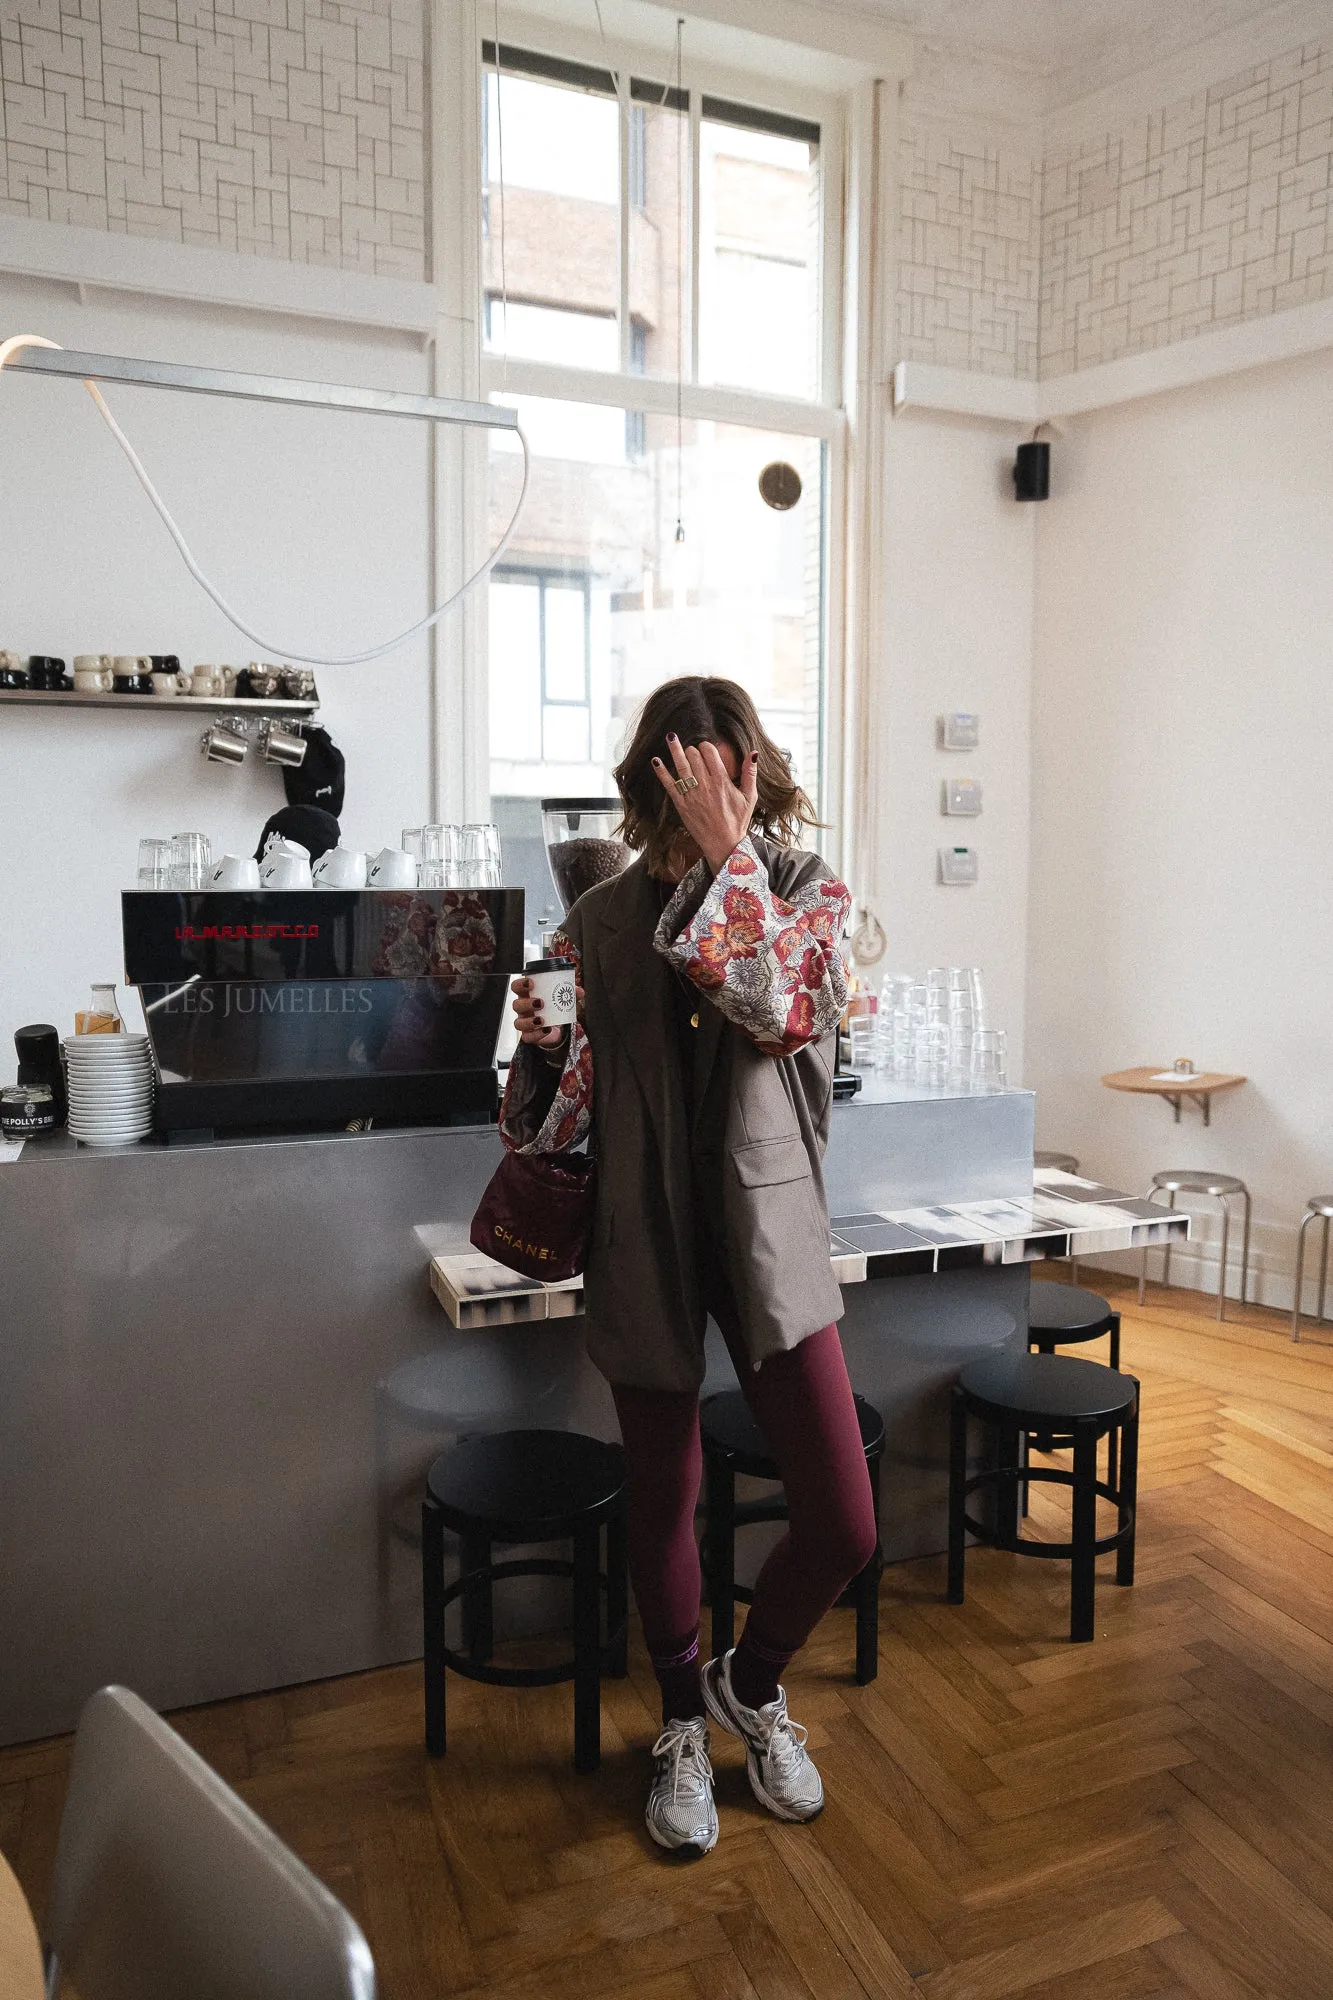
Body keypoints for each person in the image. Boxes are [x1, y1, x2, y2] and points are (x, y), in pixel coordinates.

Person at [499, 676, 878, 1860]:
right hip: (641, 1228)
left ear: (753, 777)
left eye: (722, 777)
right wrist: (545, 1051)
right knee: (666, 1494)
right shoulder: (597, 921)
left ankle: (750, 1687)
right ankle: (676, 1718)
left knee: (843, 1516)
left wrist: (732, 862)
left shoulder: (811, 898)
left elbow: (785, 1011)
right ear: (645, 783)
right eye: (679, 780)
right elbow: (541, 1133)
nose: (702, 801)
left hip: (768, 1229)